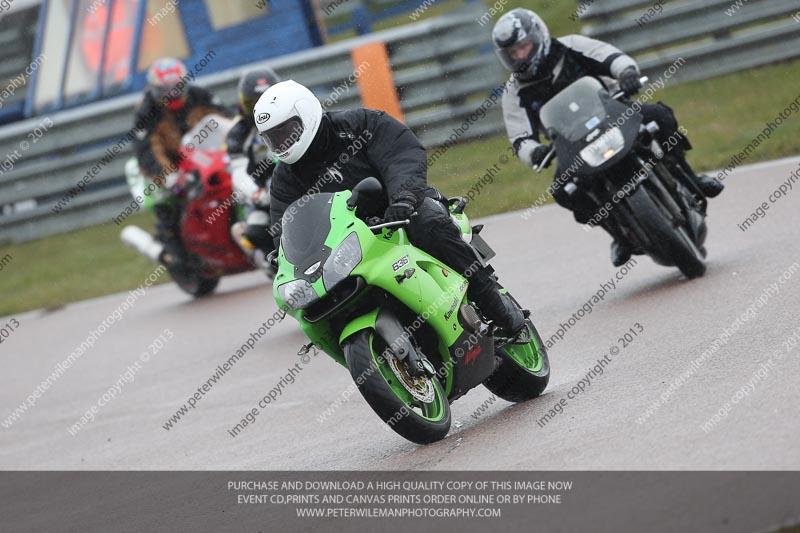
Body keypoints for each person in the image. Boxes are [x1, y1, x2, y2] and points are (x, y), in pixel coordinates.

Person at [254, 80, 525, 336]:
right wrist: (285, 255)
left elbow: (401, 155)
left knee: (429, 225)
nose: (283, 143)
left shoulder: (360, 124)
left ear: (307, 114)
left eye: (287, 132)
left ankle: (490, 299)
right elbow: (285, 223)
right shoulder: (285, 177)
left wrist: (404, 198)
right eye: (273, 139)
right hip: (348, 242)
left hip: (400, 211)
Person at [493, 8, 723, 266]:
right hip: (573, 144)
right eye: (513, 53)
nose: (520, 55)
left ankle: (692, 179)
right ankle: (619, 234)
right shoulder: (514, 92)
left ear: (538, 36)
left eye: (523, 47)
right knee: (563, 190)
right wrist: (534, 151)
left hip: (616, 114)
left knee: (659, 116)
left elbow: (611, 57)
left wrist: (627, 74)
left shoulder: (572, 46)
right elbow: (519, 136)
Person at [132, 57, 227, 267]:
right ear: (154, 90)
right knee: (167, 199)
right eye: (164, 90)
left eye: (176, 87)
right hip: (168, 165)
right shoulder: (146, 112)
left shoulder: (199, 96)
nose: (172, 94)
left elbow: (225, 120)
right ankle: (175, 251)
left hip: (203, 155)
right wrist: (169, 176)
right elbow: (146, 151)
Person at [225, 67, 283, 262]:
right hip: (262, 193)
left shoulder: (292, 117)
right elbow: (238, 171)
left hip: (297, 179)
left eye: (267, 101)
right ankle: (271, 262)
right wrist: (256, 193)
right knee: (256, 234)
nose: (260, 110)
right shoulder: (238, 133)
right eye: (254, 104)